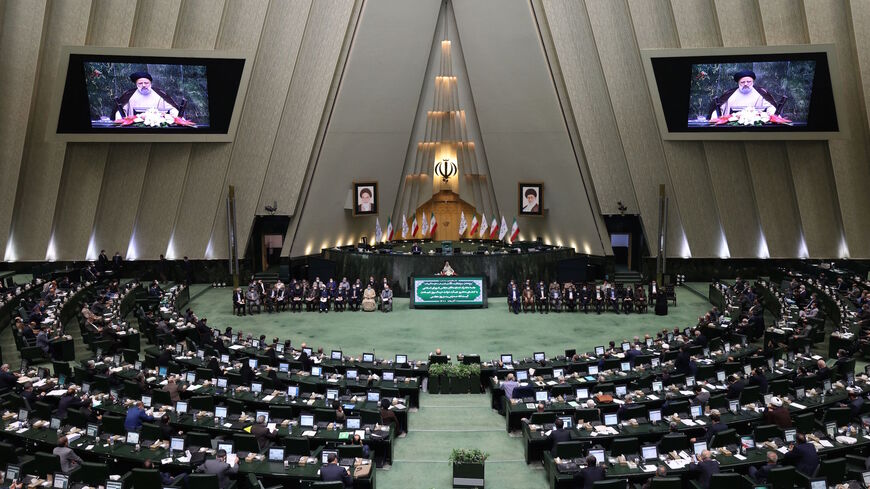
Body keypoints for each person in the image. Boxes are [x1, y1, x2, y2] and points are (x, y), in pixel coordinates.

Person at [710, 70, 777, 119]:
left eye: (748, 82)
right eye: (742, 82)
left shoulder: (761, 93)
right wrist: (715, 117)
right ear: (738, 83)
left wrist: (773, 114)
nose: (746, 84)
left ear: (753, 82)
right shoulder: (730, 94)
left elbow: (770, 107)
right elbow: (719, 109)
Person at [115, 71, 180, 119]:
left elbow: (172, 109)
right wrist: (120, 118)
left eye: (146, 83)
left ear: (150, 83)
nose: (143, 85)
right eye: (140, 83)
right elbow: (121, 112)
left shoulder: (159, 94)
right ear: (136, 84)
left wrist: (176, 116)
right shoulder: (129, 95)